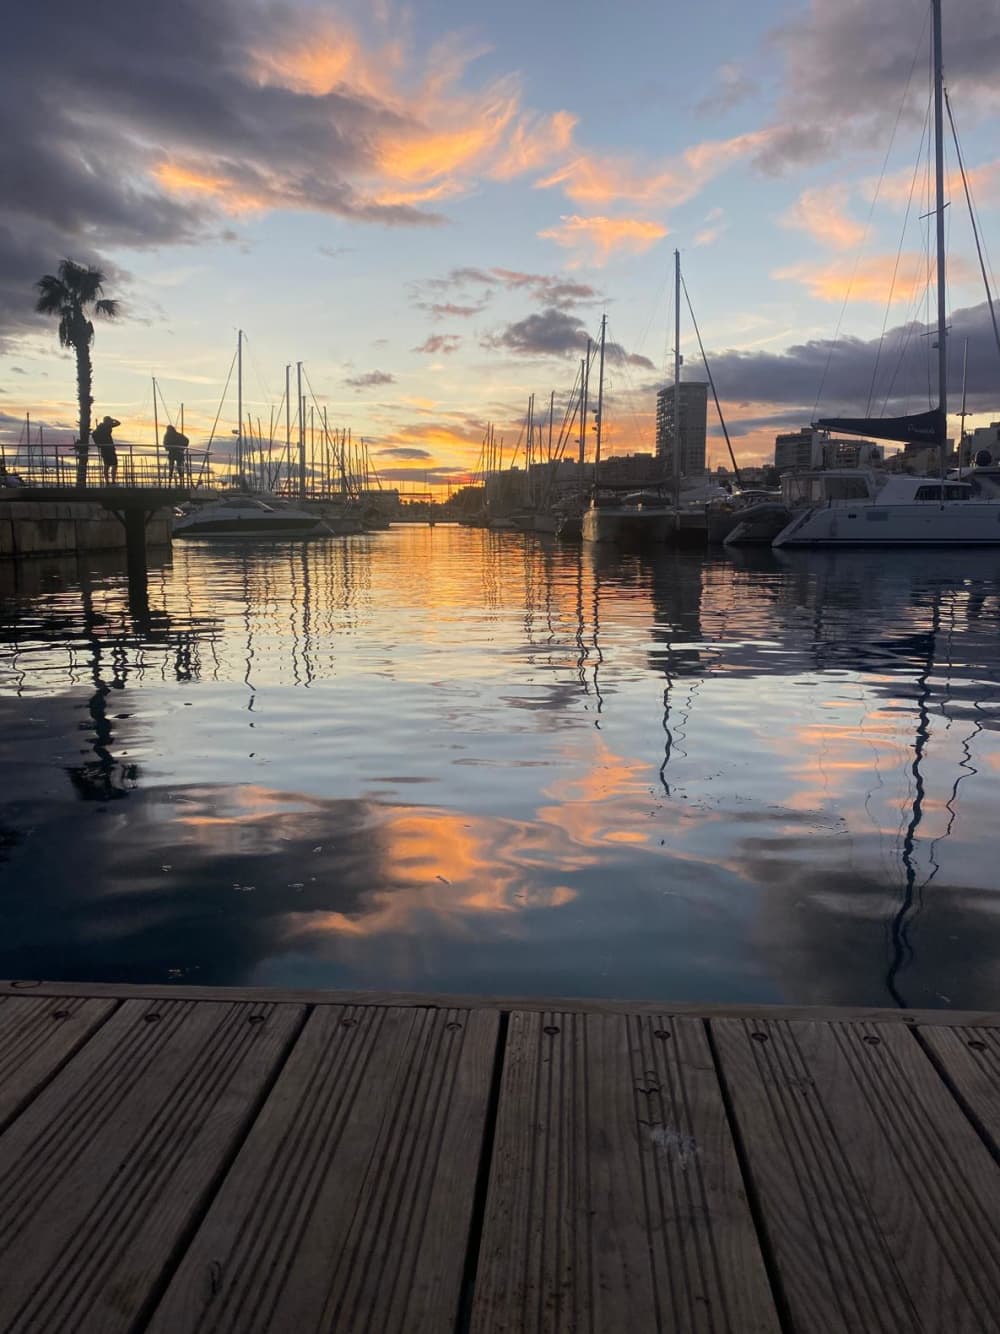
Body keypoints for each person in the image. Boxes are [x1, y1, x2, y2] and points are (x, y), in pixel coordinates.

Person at [91, 415, 120, 484]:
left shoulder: (103, 426)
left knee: (108, 465)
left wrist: (99, 444)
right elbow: (118, 423)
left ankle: (108, 481)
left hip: (106, 448)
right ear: (107, 421)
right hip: (108, 448)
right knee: (112, 465)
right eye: (109, 420)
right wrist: (113, 420)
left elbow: (118, 423)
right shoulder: (105, 426)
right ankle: (111, 481)